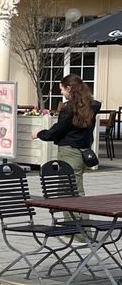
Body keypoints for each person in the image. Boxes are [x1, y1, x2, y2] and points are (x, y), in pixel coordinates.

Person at [34, 73, 101, 205]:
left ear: (69, 88)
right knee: (71, 189)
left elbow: (58, 130)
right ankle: (74, 224)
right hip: (84, 151)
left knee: (70, 191)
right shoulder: (90, 106)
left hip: (70, 152)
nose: (61, 92)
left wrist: (39, 134)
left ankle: (78, 225)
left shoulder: (69, 109)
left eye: (62, 89)